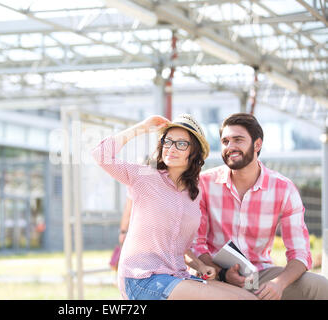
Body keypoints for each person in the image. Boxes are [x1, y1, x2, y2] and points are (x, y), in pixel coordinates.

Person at [92, 114, 257, 300]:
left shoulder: (193, 193)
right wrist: (143, 127)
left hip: (177, 276)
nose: (171, 148)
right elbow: (100, 154)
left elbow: (179, 248)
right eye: (168, 141)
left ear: (193, 153)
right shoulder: (145, 176)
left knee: (249, 297)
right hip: (142, 278)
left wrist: (200, 266)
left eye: (181, 144)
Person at [194, 112, 328, 300]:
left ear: (257, 144)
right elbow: (195, 244)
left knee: (321, 286)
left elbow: (300, 252)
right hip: (213, 275)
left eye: (238, 140)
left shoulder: (284, 189)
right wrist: (221, 273)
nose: (230, 147)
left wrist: (278, 284)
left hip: (258, 276)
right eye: (225, 141)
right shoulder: (204, 184)